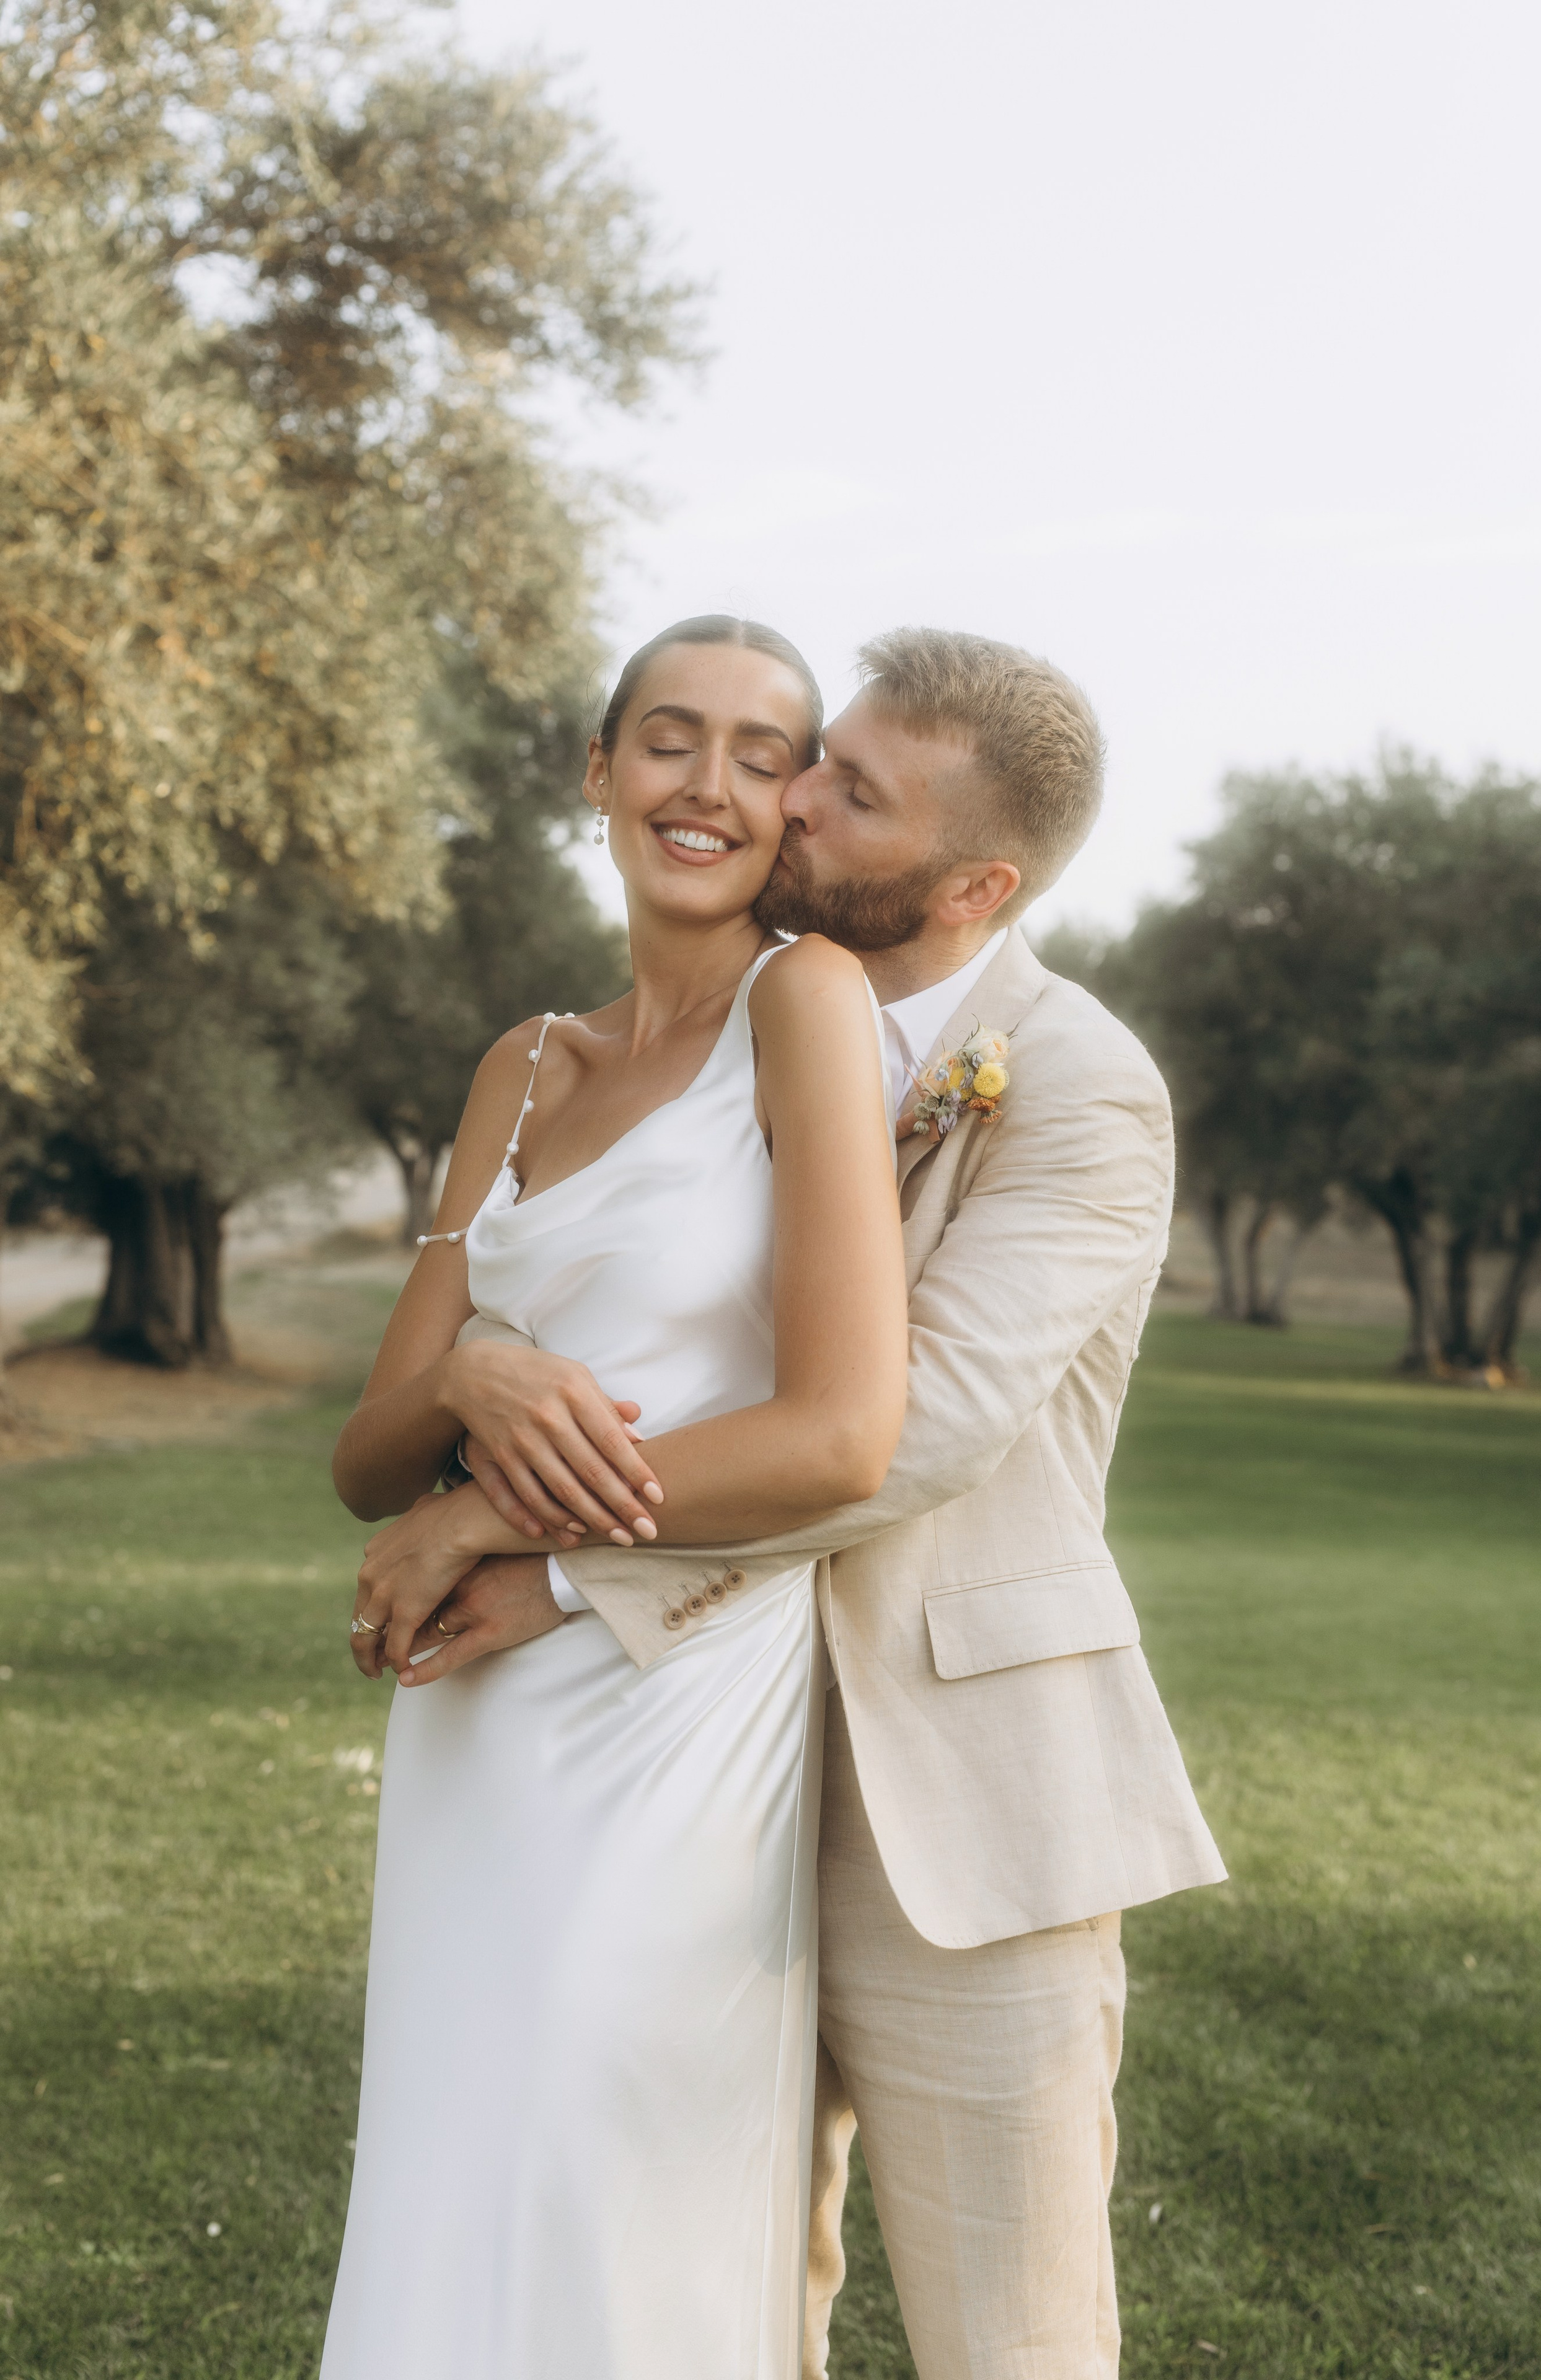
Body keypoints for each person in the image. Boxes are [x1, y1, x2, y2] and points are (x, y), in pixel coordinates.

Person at [391, 628, 1227, 2380]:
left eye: (849, 791)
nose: (790, 802)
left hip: (958, 1811)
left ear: (973, 879)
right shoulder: (726, 1029)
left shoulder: (1080, 1084)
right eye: (813, 757)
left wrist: (529, 1554)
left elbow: (915, 1434)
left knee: (1016, 2340)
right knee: (724, 2306)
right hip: (688, 1790)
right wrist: (469, 1371)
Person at [319, 615, 908, 2380]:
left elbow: (838, 1436)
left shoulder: (802, 1004)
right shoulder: (523, 1064)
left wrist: (497, 1512)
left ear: (794, 796)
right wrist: (471, 1381)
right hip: (474, 1735)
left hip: (675, 1699)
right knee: (462, 2157)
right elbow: (368, 1459)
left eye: (759, 750)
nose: (709, 785)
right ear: (598, 769)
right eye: (669, 737)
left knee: (608, 2152)